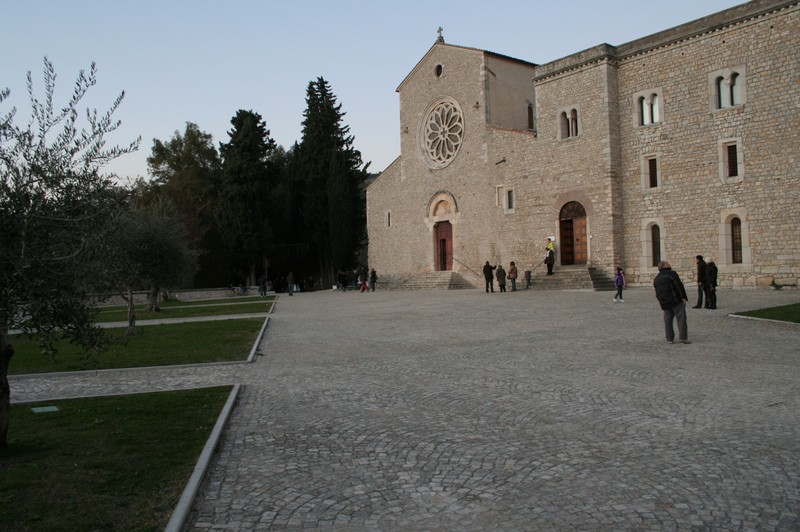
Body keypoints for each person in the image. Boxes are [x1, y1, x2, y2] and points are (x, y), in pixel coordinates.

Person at [653, 260, 690, 344]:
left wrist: (661, 302)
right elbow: (678, 285)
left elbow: (657, 293)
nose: (669, 264)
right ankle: (683, 337)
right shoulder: (671, 274)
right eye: (667, 263)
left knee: (668, 321)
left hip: (665, 302)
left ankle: (669, 339)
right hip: (675, 300)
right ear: (665, 266)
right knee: (681, 318)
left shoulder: (657, 278)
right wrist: (683, 297)